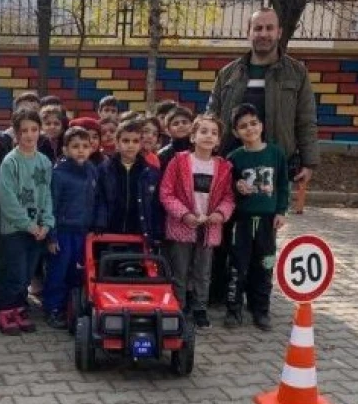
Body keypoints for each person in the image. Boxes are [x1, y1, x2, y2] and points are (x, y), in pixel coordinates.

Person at [206, 7, 318, 306]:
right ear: (248, 32)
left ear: (279, 32)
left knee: (263, 238)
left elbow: (306, 119)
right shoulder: (228, 73)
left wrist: (309, 161)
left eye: (270, 28)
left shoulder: (297, 72)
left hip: (272, 167)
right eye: (258, 28)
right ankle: (221, 291)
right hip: (231, 167)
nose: (264, 34)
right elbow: (212, 116)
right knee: (225, 228)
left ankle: (258, 298)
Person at [159, 114, 235, 330]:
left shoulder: (223, 167)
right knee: (180, 269)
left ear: (219, 140)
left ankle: (200, 307)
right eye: (203, 131)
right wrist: (184, 214)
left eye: (214, 133)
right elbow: (166, 193)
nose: (208, 136)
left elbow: (228, 197)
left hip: (209, 228)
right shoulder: (179, 161)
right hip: (182, 225)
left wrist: (220, 214)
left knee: (203, 270)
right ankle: (179, 305)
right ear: (192, 137)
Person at [224, 103, 290, 331]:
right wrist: (236, 185)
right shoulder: (234, 158)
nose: (249, 129)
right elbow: (225, 187)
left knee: (265, 264)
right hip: (241, 222)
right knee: (237, 266)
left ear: (261, 125)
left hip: (267, 222)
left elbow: (283, 184)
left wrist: (281, 211)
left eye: (253, 123)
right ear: (235, 132)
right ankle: (233, 310)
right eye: (243, 126)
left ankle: (261, 309)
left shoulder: (276, 153)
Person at [0, 108, 54, 335]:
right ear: (16, 133)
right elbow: (7, 200)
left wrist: (46, 224)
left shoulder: (45, 162)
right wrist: (28, 225)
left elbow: (47, 194)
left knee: (27, 273)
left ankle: (18, 308)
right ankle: (3, 308)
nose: (29, 135)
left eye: (34, 129)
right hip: (15, 229)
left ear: (40, 131)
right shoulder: (10, 162)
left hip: (38, 230)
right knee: (13, 271)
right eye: (24, 131)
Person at [44, 127, 98, 329]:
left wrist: (95, 225)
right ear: (65, 150)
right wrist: (52, 236)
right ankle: (53, 308)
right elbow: (52, 207)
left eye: (85, 146)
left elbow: (96, 199)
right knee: (58, 271)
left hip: (84, 233)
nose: (81, 150)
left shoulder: (92, 170)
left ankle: (73, 307)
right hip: (64, 232)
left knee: (78, 273)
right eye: (75, 146)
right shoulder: (58, 174)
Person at [94, 119, 162, 242]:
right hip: (107, 233)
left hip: (139, 233)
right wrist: (99, 225)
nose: (131, 145)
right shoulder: (104, 169)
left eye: (135, 141)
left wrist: (156, 231)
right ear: (117, 143)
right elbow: (99, 199)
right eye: (126, 141)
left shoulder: (151, 173)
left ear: (141, 144)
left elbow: (155, 205)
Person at [157, 105, 195, 172]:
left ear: (192, 125)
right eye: (176, 124)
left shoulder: (199, 150)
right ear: (168, 130)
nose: (181, 125)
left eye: (184, 122)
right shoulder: (162, 156)